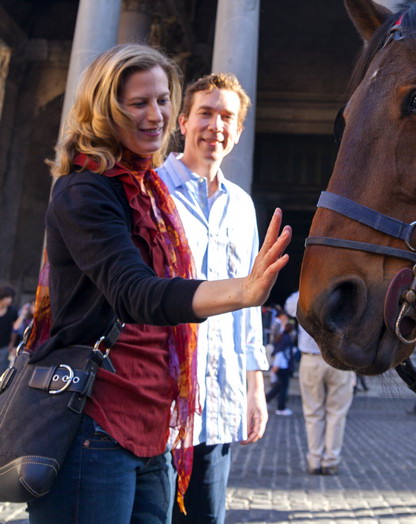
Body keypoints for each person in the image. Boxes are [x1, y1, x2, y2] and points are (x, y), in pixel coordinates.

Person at [25, 44, 291, 524]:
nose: (156, 115)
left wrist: (253, 382)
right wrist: (242, 290)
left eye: (162, 100)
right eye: (139, 103)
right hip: (97, 419)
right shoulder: (87, 189)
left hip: (157, 421)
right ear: (106, 108)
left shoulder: (152, 192)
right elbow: (137, 293)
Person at [157, 72, 273, 524]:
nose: (215, 125)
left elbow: (249, 304)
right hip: (159, 395)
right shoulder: (154, 191)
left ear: (238, 132)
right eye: (206, 113)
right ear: (183, 121)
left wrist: (254, 386)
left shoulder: (242, 206)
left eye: (227, 117)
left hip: (219, 399)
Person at [285, 290, 355, 475]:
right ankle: (331, 460)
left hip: (311, 359)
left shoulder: (303, 296)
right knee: (337, 414)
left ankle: (314, 460)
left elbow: (289, 306)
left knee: (313, 413)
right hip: (340, 360)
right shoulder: (349, 296)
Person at [265, 315, 295, 415]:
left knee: (278, 387)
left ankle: (267, 399)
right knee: (283, 388)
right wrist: (276, 366)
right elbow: (280, 353)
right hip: (282, 367)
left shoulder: (283, 337)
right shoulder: (286, 338)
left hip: (281, 366)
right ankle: (280, 408)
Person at [0, 285, 17, 373]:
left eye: (11, 297)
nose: (10, 300)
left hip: (4, 345)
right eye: (8, 297)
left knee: (2, 369)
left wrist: (12, 343)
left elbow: (14, 329)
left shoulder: (12, 310)